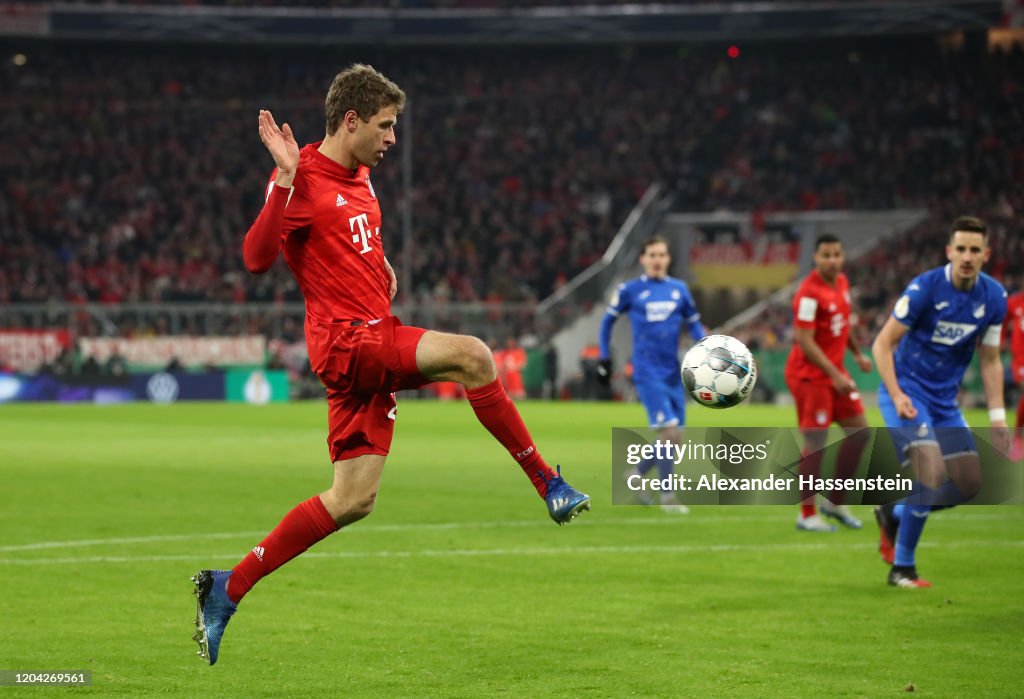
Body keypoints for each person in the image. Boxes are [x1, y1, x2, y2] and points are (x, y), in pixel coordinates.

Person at [190, 64, 590, 666]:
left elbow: (354, 239)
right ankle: (547, 483)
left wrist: (380, 268)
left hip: (368, 340)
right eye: (384, 125)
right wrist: (282, 179)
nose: (392, 138)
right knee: (474, 356)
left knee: (353, 499)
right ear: (350, 121)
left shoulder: (362, 175)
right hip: (350, 343)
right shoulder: (302, 178)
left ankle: (228, 587)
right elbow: (253, 258)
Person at [872, 216, 1009, 588]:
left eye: (974, 250)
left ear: (986, 255)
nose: (967, 256)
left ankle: (893, 511)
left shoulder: (995, 298)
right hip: (908, 393)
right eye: (960, 249)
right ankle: (903, 567)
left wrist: (998, 419)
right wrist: (898, 394)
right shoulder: (924, 289)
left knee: (968, 484)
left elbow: (992, 358)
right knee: (928, 475)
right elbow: (882, 344)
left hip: (945, 401)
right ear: (949, 251)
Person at [597, 237, 704, 513]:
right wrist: (604, 355)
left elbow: (694, 326)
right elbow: (607, 322)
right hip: (646, 371)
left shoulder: (679, 290)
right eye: (652, 255)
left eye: (662, 255)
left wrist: (705, 350)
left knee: (676, 436)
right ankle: (668, 496)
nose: (657, 259)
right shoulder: (629, 290)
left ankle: (636, 473)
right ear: (643, 259)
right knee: (669, 433)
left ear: (668, 259)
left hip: (673, 373)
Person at [784, 234, 872, 532]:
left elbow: (843, 325)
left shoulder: (842, 283)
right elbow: (805, 341)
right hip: (809, 376)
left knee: (860, 434)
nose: (832, 260)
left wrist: (857, 355)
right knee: (816, 441)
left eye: (837, 254)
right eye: (826, 255)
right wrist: (836, 374)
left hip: (834, 373)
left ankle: (834, 503)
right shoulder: (808, 293)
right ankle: (807, 515)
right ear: (815, 258)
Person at [1005, 279, 1024, 458]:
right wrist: (1001, 339)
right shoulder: (1015, 302)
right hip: (1021, 358)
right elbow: (1001, 320)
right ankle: (1017, 438)